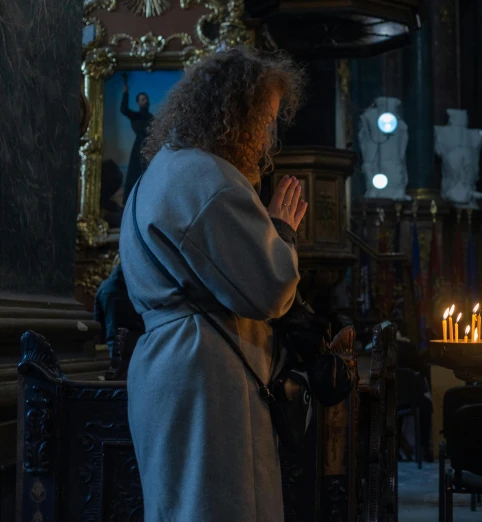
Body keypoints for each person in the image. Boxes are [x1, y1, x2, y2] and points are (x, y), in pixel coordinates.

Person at [119, 47, 306, 521]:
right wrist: (281, 230)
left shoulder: (161, 170)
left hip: (167, 367)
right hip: (206, 377)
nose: (268, 136)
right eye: (264, 119)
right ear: (234, 113)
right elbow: (271, 289)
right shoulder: (209, 179)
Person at [94, 258, 144, 358]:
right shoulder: (130, 284)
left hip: (117, 344)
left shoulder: (106, 286)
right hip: (133, 344)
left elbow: (97, 320)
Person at [120, 75, 154, 204]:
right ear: (138, 102)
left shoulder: (152, 118)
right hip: (137, 148)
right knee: (134, 174)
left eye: (145, 99)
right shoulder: (135, 116)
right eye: (142, 99)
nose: (144, 101)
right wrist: (125, 93)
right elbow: (123, 109)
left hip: (150, 148)